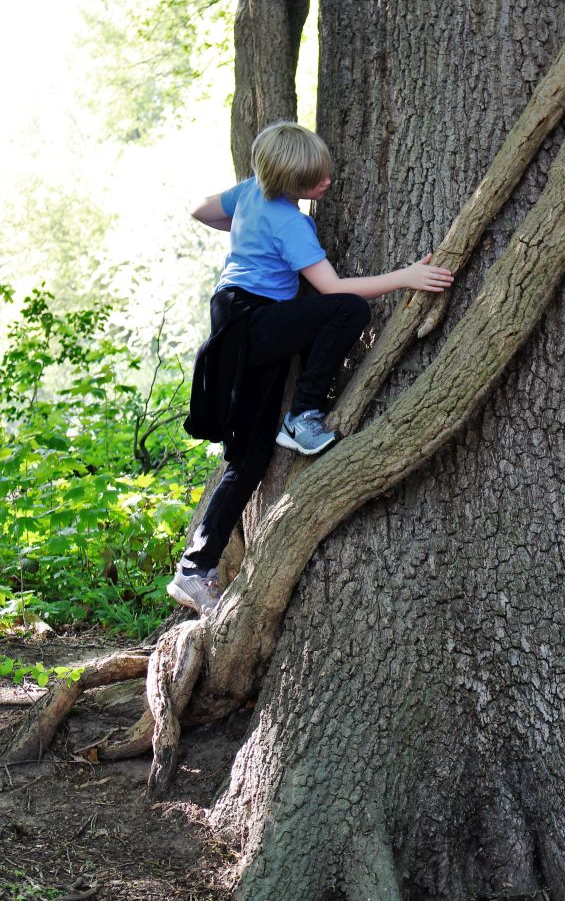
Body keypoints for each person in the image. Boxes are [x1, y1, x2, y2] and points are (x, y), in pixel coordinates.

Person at [168, 121, 454, 615]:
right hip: (255, 321)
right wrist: (405, 277)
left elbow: (200, 209)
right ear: (286, 184)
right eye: (312, 182)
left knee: (250, 457)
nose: (325, 185)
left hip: (234, 320)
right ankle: (303, 417)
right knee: (349, 311)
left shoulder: (249, 192)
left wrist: (242, 233)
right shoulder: (289, 222)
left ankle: (196, 568)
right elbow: (334, 290)